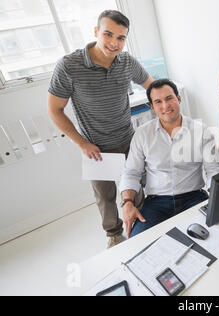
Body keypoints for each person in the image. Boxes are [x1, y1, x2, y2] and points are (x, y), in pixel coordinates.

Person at [48, 10, 153, 248]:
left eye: (121, 37)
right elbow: (55, 110)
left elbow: (151, 85)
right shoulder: (68, 66)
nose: (114, 43)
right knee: (106, 198)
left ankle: (141, 226)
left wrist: (163, 107)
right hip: (96, 147)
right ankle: (115, 235)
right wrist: (82, 143)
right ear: (96, 32)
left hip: (129, 140)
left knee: (136, 189)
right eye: (108, 34)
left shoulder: (127, 62)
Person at [119, 79, 219, 238]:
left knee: (214, 236)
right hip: (156, 203)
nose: (165, 106)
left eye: (169, 98)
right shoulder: (142, 134)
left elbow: (213, 170)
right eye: (158, 102)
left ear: (179, 99)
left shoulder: (201, 131)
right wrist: (127, 203)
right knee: (138, 241)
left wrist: (216, 198)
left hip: (194, 198)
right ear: (152, 107)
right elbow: (131, 173)